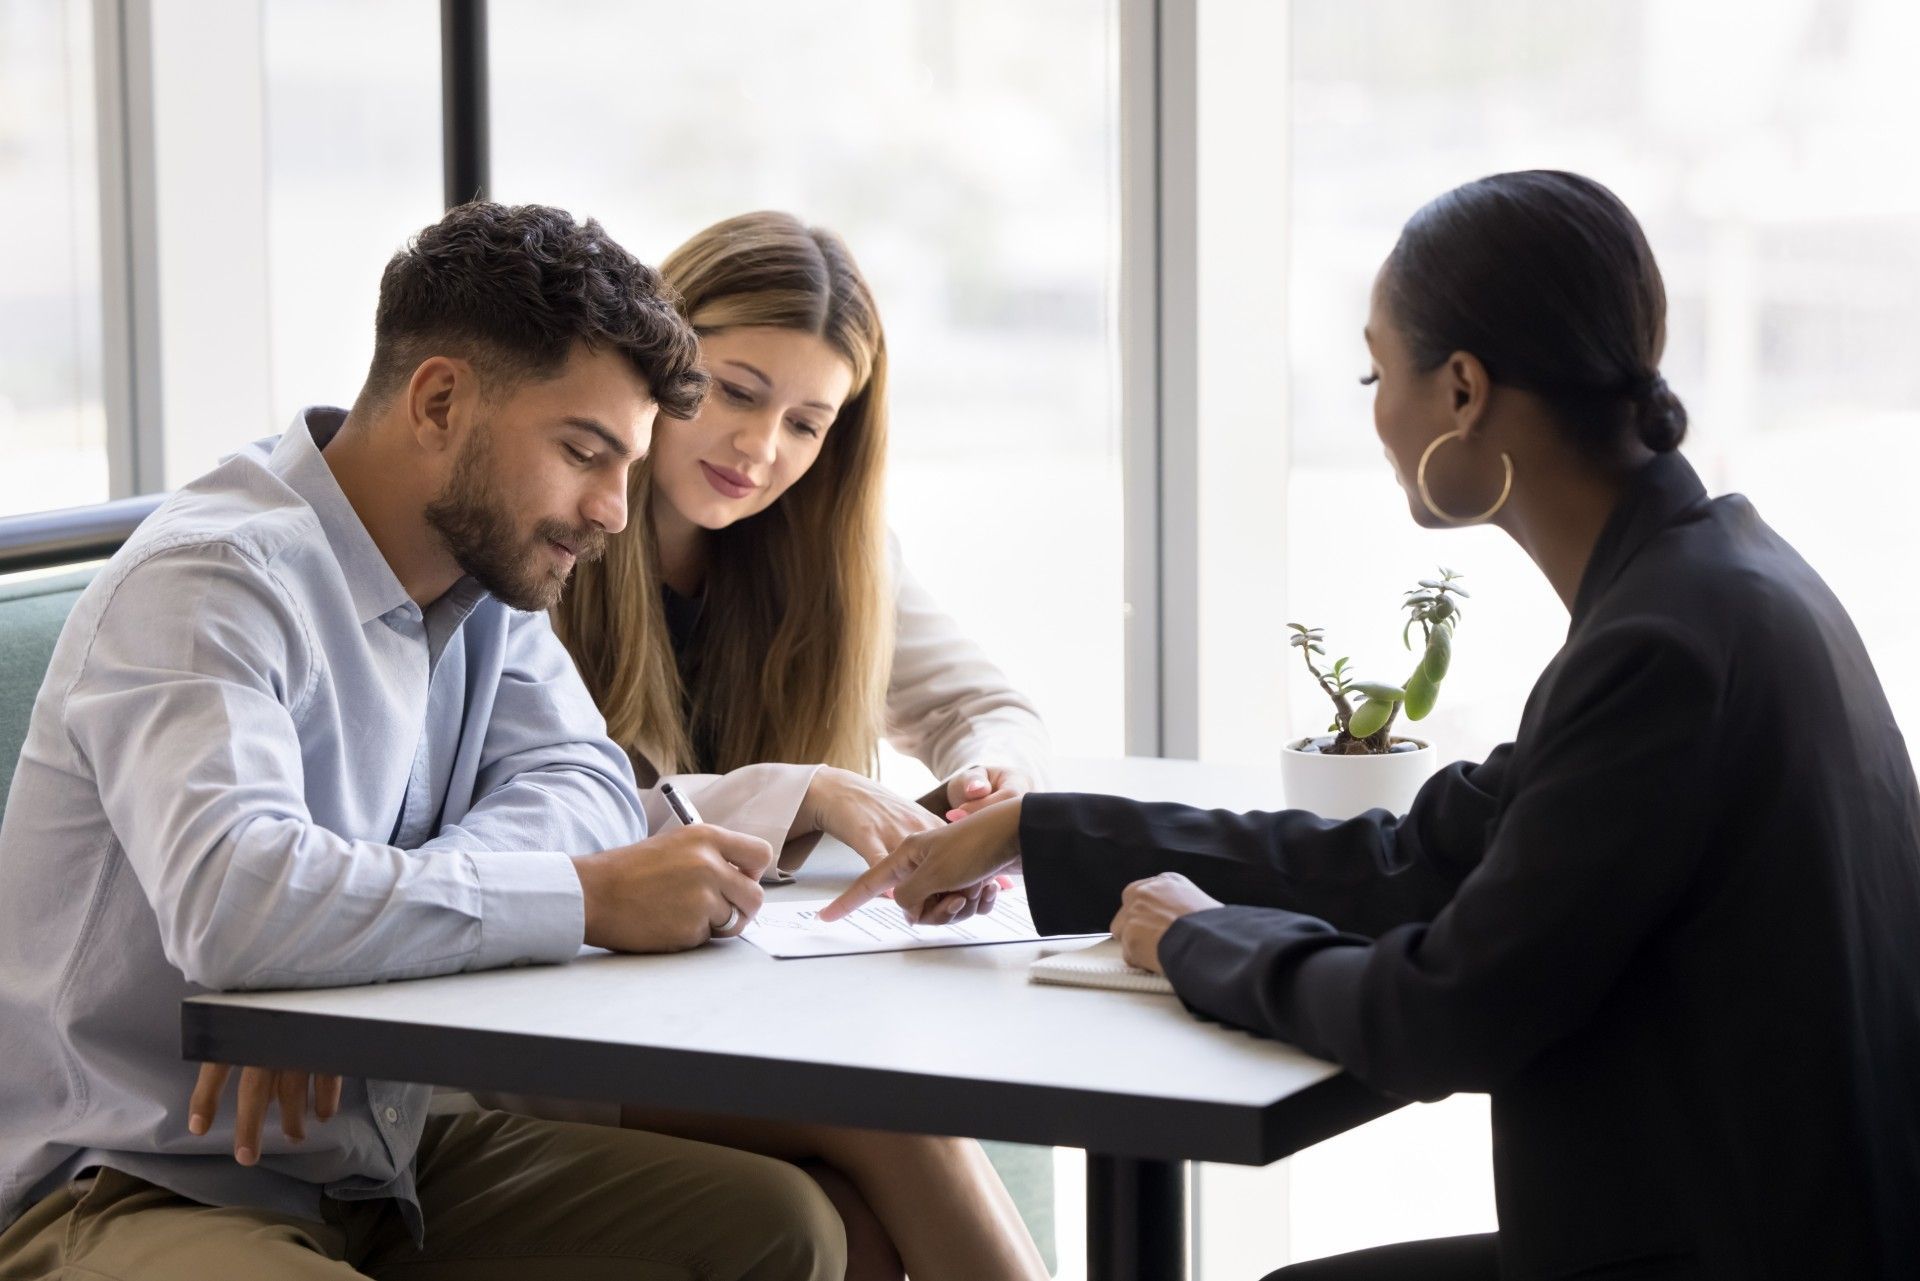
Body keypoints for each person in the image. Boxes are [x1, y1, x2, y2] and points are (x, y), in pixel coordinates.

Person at [825, 171, 1920, 1279]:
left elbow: (1447, 1014)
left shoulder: (1664, 649)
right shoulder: (1711, 586)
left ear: (1462, 392)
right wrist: (1038, 831)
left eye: (1374, 371)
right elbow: (1413, 859)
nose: (1374, 413)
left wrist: (1201, 940)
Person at [0, 201, 845, 1280]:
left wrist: (333, 974)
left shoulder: (485, 572)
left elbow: (586, 781)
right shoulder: (213, 579)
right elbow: (238, 903)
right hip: (131, 1178)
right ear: (440, 399)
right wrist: (586, 899)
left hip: (373, 1160)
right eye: (585, 452)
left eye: (627, 464)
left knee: (779, 1226)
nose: (615, 512)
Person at [528, 211, 1052, 1281]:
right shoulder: (548, 538)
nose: (761, 452)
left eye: (810, 424)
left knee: (853, 1237)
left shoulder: (831, 554)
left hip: (738, 1005)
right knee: (892, 1117)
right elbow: (558, 822)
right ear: (657, 362)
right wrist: (803, 792)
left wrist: (994, 786)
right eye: (737, 391)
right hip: (556, 1023)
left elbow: (987, 705)